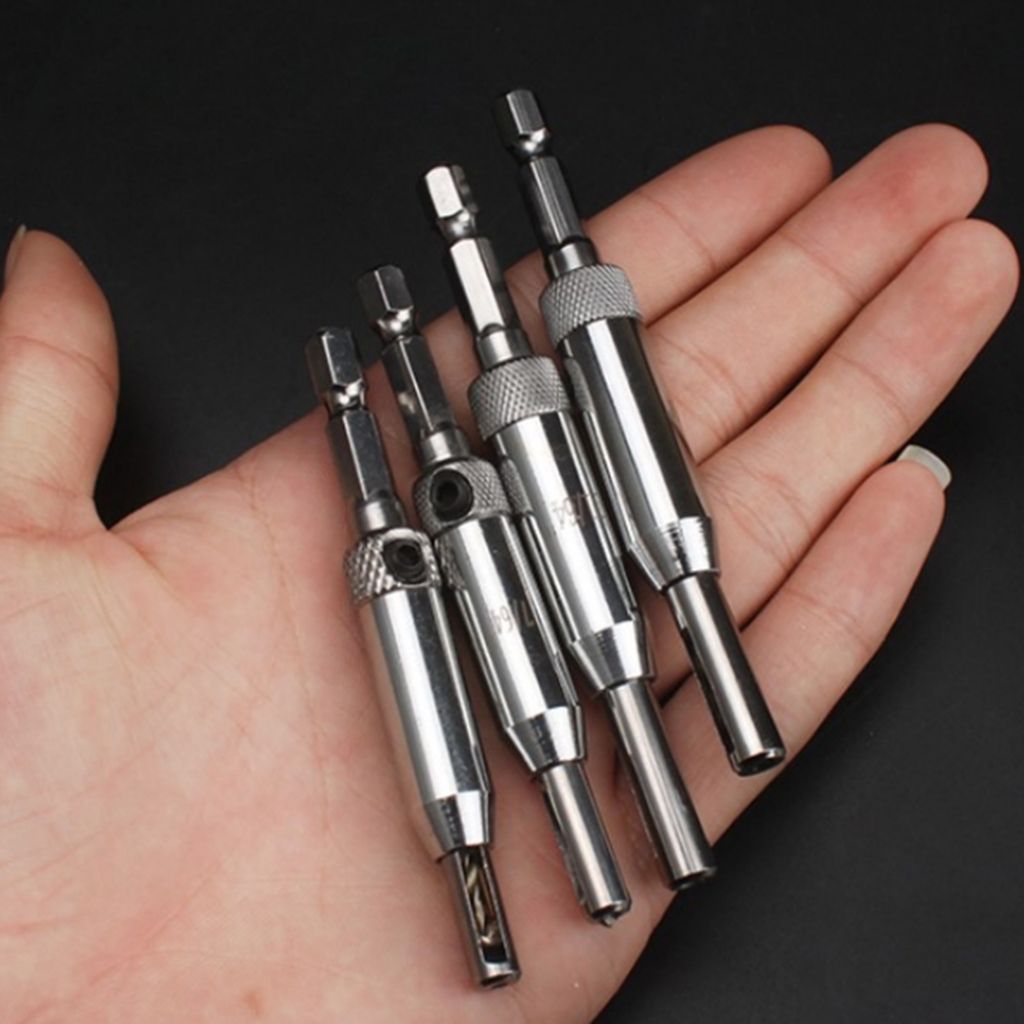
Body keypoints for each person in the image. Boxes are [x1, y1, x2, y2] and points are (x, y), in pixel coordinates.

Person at [0, 122, 1016, 1023]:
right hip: (505, 639)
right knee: (587, 701)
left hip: (575, 574)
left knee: (620, 655)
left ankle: (635, 834)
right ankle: (598, 864)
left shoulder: (519, 426)